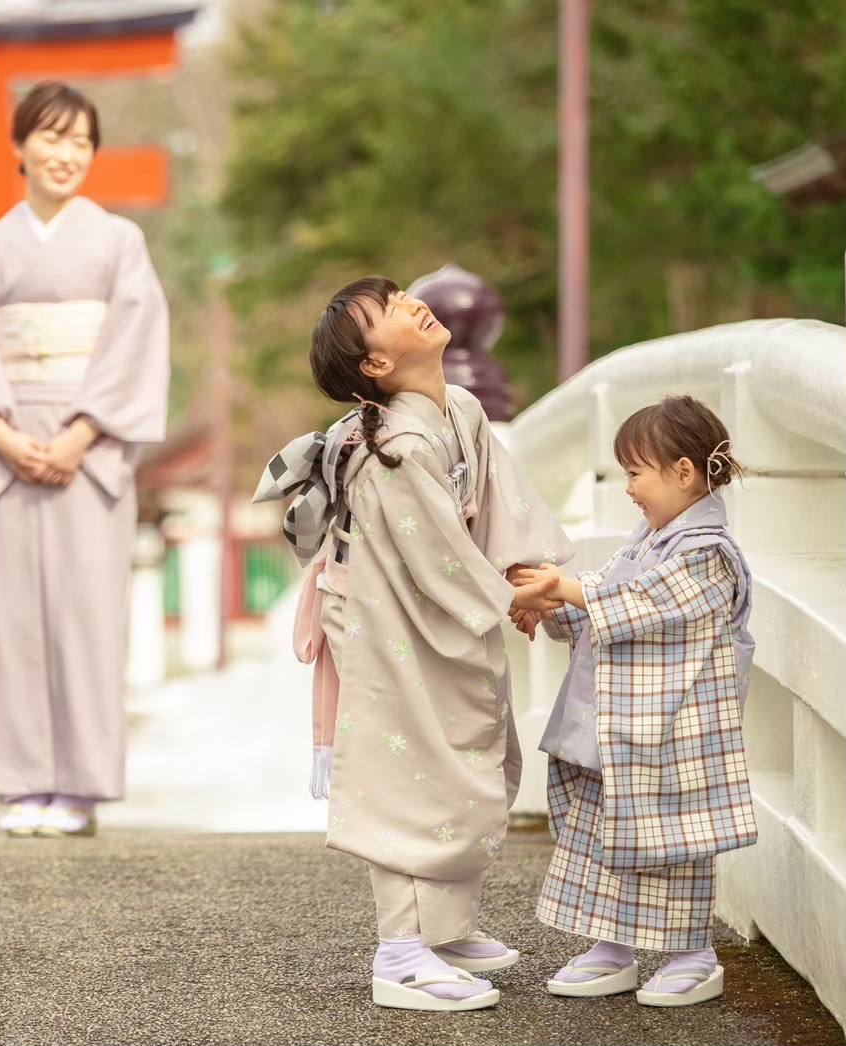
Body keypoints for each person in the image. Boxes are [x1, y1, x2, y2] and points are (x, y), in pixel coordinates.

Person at [254, 277, 572, 1012]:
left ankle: (444, 929)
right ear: (374, 367)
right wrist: (509, 595)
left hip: (429, 610)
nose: (411, 304)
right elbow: (434, 553)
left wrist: (523, 572)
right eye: (387, 312)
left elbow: (497, 508)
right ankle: (399, 952)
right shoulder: (390, 445)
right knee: (407, 768)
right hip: (382, 618)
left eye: (399, 294)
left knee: (464, 753)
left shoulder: (457, 410)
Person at [0, 82, 169, 839]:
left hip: (92, 445)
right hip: (5, 444)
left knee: (87, 614)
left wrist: (82, 432)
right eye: (51, 138)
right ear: (18, 147)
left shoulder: (118, 244)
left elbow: (136, 340)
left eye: (81, 141)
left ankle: (79, 784)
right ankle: (23, 783)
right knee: (12, 618)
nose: (66, 154)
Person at [512, 395, 758, 1008]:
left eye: (634, 472)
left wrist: (565, 588)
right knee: (602, 833)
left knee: (669, 843)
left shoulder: (708, 552)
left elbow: (648, 605)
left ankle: (693, 953)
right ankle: (614, 944)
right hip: (620, 726)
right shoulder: (649, 540)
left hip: (671, 732)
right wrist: (555, 600)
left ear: (683, 472)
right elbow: (611, 595)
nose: (627, 489)